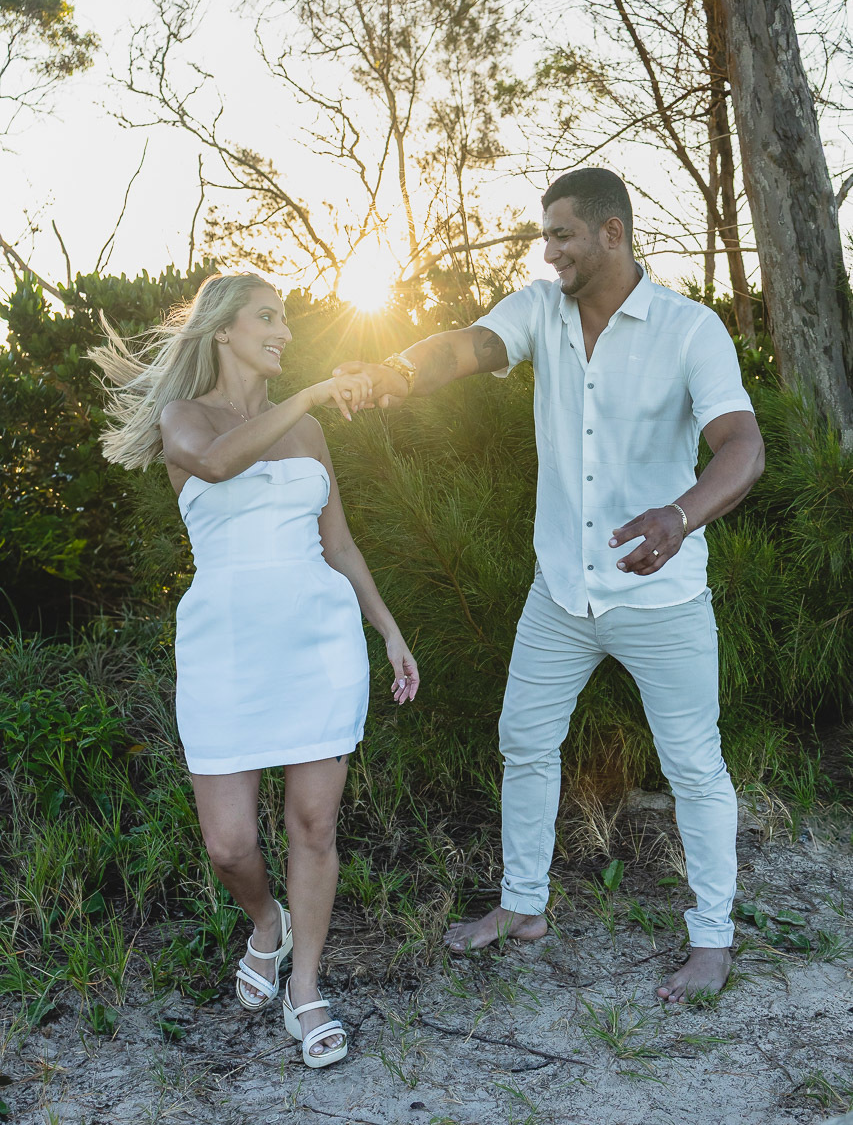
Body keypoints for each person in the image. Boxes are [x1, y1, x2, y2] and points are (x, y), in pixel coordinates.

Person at [335, 167, 764, 1003]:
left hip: (659, 600)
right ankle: (523, 909)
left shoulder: (689, 329)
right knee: (523, 743)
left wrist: (679, 516)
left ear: (612, 233)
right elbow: (467, 345)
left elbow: (741, 447)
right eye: (545, 236)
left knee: (693, 766)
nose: (549, 250)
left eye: (562, 234)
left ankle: (711, 940)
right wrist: (395, 371)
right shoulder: (539, 309)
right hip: (560, 595)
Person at [91, 272, 419, 1066]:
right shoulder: (186, 419)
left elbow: (337, 545)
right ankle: (265, 924)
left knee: (314, 825)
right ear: (221, 331)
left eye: (286, 319)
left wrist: (387, 628)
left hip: (318, 639)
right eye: (267, 318)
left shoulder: (311, 436)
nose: (283, 331)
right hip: (226, 650)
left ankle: (304, 987)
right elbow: (213, 467)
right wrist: (306, 396)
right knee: (229, 846)